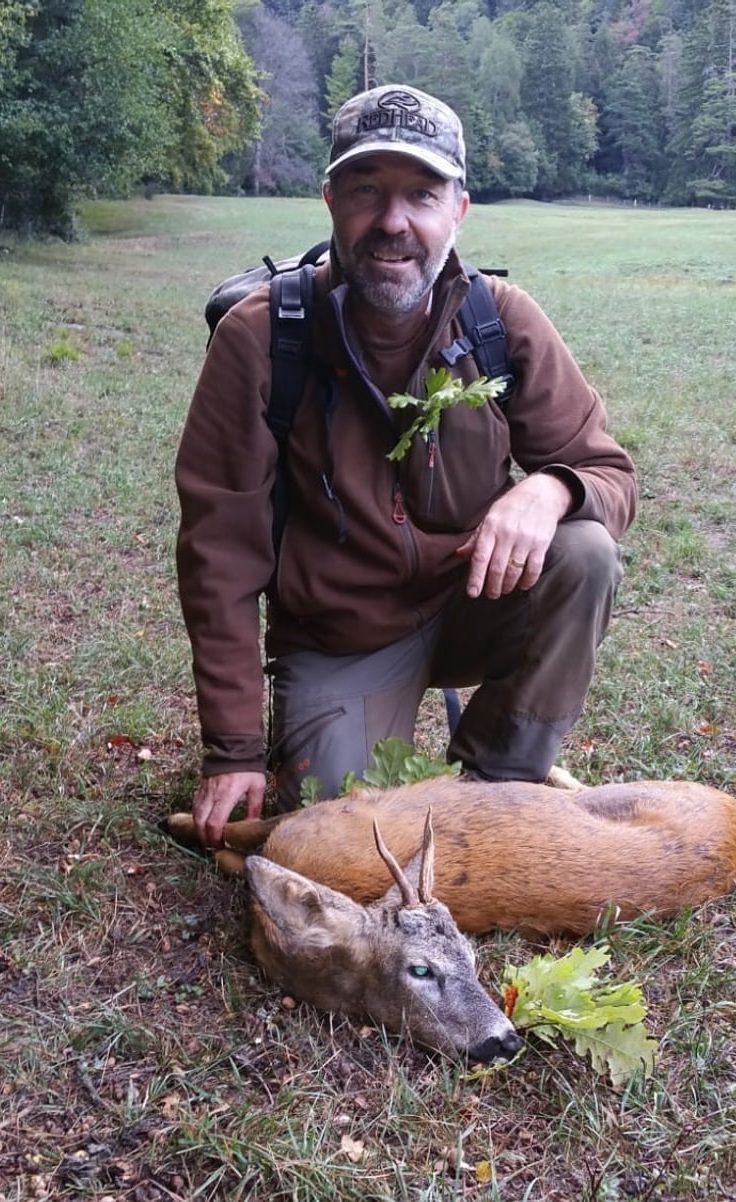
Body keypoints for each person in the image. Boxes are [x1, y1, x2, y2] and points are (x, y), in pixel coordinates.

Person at [176, 84, 637, 847]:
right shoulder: (262, 339)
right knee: (328, 830)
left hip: (473, 603)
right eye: (368, 191)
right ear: (330, 200)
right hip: (341, 636)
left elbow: (610, 474)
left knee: (584, 550)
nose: (394, 222)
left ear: (457, 211)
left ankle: (498, 786)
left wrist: (553, 489)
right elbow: (217, 555)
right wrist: (233, 750)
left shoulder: (500, 320)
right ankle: (338, 739)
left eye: (422, 194)